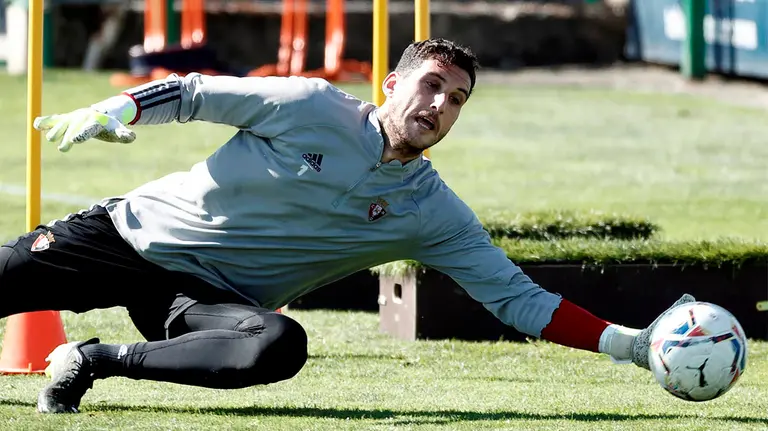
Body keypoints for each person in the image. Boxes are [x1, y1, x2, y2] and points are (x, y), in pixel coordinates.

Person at [0, 38, 693, 414]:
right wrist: (120, 108)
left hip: (203, 303)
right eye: (429, 84)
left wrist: (630, 346)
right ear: (392, 83)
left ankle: (91, 360)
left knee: (277, 344)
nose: (438, 105)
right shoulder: (308, 103)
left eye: (456, 100)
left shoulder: (431, 211)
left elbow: (518, 299)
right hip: (127, 234)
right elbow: (193, 91)